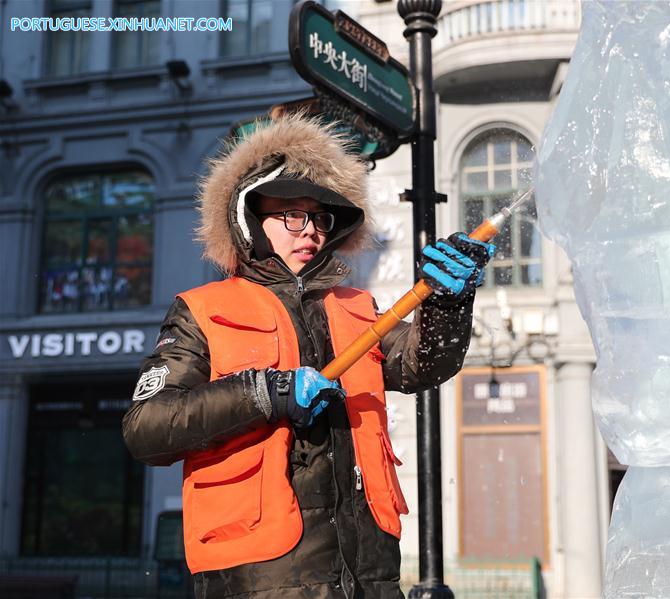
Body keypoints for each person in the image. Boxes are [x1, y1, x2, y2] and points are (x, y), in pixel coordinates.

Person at [122, 112, 495, 599]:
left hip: (370, 577)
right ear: (250, 219)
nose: (311, 231)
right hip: (260, 580)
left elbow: (425, 363)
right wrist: (265, 392)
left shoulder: (357, 308)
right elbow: (147, 429)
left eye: (321, 219)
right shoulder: (202, 309)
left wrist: (448, 302)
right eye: (293, 215)